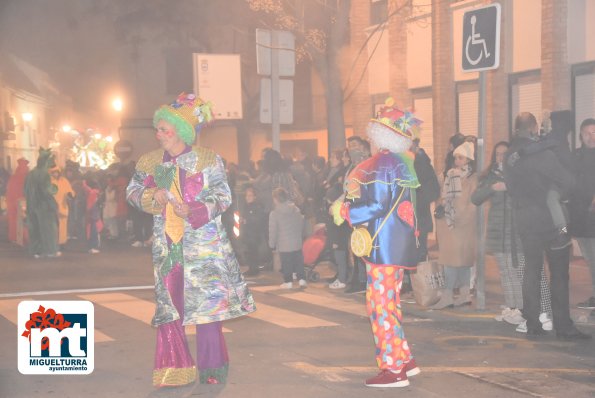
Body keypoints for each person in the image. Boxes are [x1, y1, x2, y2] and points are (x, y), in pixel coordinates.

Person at [126, 93, 256, 387]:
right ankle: (175, 367)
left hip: (203, 244)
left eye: (164, 129)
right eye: (157, 129)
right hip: (168, 246)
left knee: (207, 306)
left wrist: (194, 209)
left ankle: (212, 367)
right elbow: (132, 192)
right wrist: (151, 195)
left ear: (181, 131)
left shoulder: (207, 159)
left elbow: (223, 196)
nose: (158, 135)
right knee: (170, 305)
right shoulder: (149, 162)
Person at [333, 98, 422, 388]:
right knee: (390, 303)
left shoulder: (383, 164)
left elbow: (377, 205)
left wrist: (346, 211)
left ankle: (393, 369)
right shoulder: (401, 161)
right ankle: (404, 360)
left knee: (380, 306)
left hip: (383, 247)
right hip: (395, 244)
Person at [504, 112, 590, 340]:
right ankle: (563, 325)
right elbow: (569, 181)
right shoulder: (542, 154)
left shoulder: (509, 155)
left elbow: (511, 187)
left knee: (531, 272)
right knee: (560, 273)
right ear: (533, 128)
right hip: (552, 224)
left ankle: (533, 323)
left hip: (524, 221)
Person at [471, 142, 553, 331]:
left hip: (519, 231)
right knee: (505, 271)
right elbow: (475, 198)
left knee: (522, 271)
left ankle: (529, 309)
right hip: (498, 230)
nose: (500, 158)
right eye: (497, 154)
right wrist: (493, 188)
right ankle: (513, 306)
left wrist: (508, 186)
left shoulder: (518, 174)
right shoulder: (490, 176)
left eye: (503, 154)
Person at [432, 140, 478, 309]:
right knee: (453, 261)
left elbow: (473, 204)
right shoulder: (450, 175)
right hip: (449, 224)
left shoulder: (474, 178)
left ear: (469, 160)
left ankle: (450, 295)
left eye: (461, 158)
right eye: (456, 157)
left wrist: (461, 217)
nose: (457, 161)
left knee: (457, 262)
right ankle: (461, 295)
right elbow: (443, 197)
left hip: (463, 225)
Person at [570, 118, 595, 310]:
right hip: (581, 220)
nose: (591, 137)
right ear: (581, 135)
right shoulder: (575, 156)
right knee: (590, 259)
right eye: (587, 133)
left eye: (594, 132)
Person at [24, 148, 60, 258]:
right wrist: (55, 187)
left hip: (32, 205)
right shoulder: (44, 174)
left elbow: (25, 189)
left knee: (34, 229)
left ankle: (36, 251)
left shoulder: (30, 174)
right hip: (44, 206)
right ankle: (50, 251)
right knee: (48, 229)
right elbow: (47, 190)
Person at [269, 187, 307, 288]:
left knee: (287, 262)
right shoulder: (296, 209)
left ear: (276, 199)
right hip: (296, 241)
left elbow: (273, 230)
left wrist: (271, 244)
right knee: (298, 261)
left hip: (284, 243)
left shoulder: (274, 214)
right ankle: (302, 279)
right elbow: (301, 224)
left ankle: (288, 281)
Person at [240, 186, 266, 277]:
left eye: (250, 195)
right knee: (249, 252)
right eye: (247, 196)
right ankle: (251, 268)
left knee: (253, 252)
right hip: (248, 233)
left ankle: (254, 269)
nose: (248, 197)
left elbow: (259, 219)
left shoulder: (257, 206)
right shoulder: (246, 206)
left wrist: (247, 220)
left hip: (254, 234)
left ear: (255, 196)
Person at [50, 166, 74, 248]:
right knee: (54, 225)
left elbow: (69, 190)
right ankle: (54, 242)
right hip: (52, 207)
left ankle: (62, 242)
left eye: (56, 172)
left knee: (63, 225)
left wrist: (71, 194)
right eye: (53, 172)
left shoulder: (64, 181)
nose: (55, 174)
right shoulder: (49, 181)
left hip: (63, 206)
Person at [6, 158, 29, 244]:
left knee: (15, 220)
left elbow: (9, 190)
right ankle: (22, 237)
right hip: (21, 202)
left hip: (14, 202)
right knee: (23, 220)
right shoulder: (26, 178)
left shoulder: (13, 178)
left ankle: (15, 237)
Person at [83, 178, 102, 254]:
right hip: (94, 214)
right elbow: (92, 204)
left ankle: (91, 246)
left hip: (90, 214)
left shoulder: (89, 192)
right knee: (94, 230)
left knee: (90, 230)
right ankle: (94, 246)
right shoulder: (95, 192)